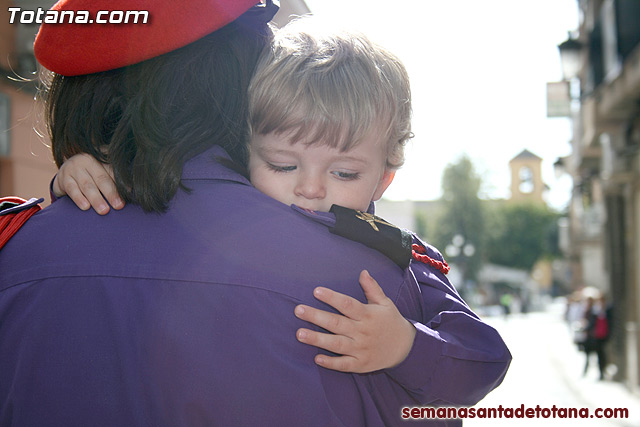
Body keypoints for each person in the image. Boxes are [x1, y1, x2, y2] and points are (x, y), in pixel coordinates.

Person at [1, 3, 510, 427]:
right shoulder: (379, 274)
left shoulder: (17, 248)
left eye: (345, 173)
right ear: (242, 123)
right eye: (284, 163)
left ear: (385, 177)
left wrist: (407, 346)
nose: (310, 189)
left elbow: (483, 356)